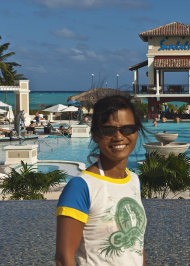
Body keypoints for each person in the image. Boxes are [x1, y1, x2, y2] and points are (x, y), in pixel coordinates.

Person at [56, 95, 147, 266]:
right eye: (109, 130)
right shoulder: (81, 187)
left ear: (137, 131)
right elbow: (63, 259)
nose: (119, 137)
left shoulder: (133, 180)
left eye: (128, 128)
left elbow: (136, 246)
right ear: (96, 135)